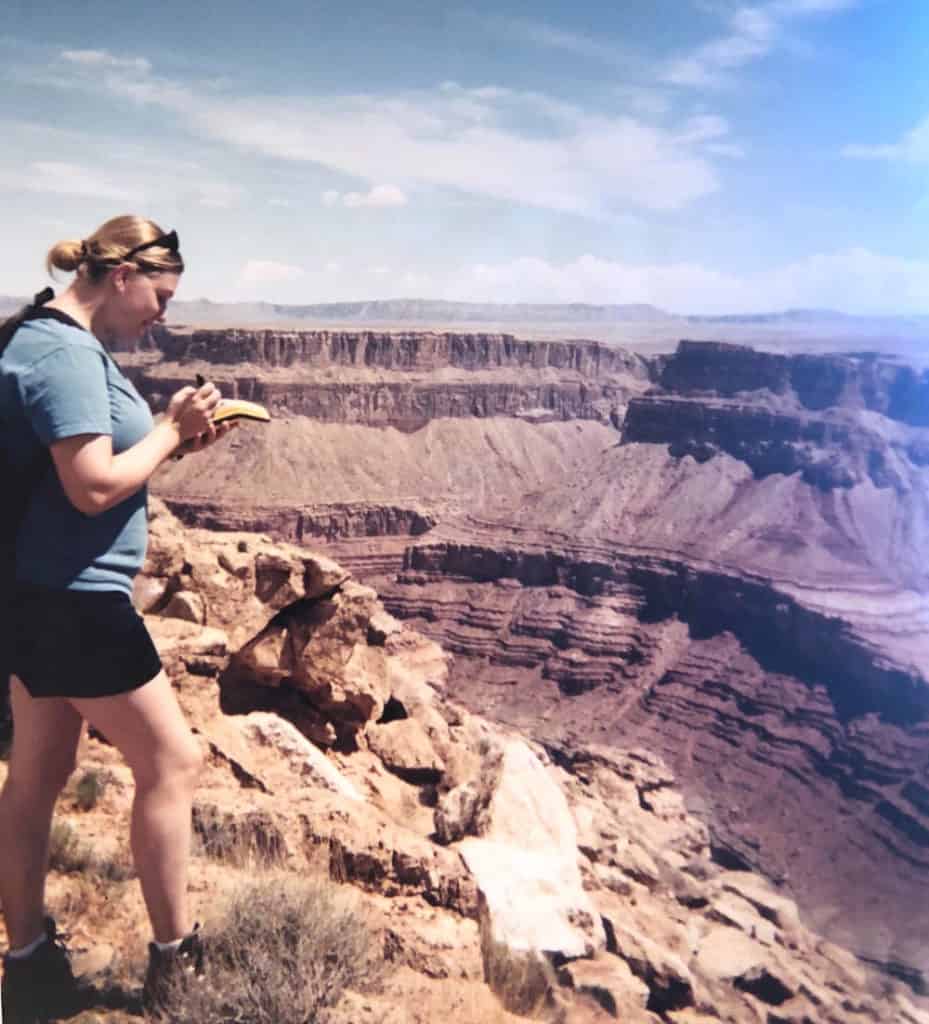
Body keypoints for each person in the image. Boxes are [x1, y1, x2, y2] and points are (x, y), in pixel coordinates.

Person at [0, 215, 233, 1022]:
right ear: (123, 275)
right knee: (173, 763)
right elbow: (93, 486)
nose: (163, 315)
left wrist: (175, 441)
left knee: (35, 781)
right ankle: (177, 966)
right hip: (75, 602)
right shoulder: (64, 351)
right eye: (160, 296)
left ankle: (28, 967)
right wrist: (167, 430)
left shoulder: (47, 339)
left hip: (35, 598)